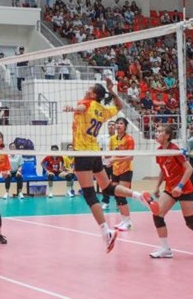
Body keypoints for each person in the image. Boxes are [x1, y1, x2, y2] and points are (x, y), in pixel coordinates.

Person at [70, 78, 156, 253]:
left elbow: (82, 108)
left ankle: (106, 232)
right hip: (95, 153)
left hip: (82, 153)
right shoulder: (102, 110)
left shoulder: (86, 103)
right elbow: (119, 106)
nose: (86, 90)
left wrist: (72, 108)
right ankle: (139, 196)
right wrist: (112, 91)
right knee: (108, 187)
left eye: (89, 89)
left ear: (93, 94)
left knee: (89, 194)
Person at [149, 124, 193, 259]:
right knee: (157, 215)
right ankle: (165, 249)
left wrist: (180, 186)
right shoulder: (159, 151)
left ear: (167, 136)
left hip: (184, 188)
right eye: (156, 131)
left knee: (190, 222)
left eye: (160, 131)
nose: (156, 133)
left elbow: (189, 169)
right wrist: (157, 186)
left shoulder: (174, 150)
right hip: (170, 188)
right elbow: (163, 171)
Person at [104, 118, 136, 231]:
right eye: (117, 123)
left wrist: (115, 159)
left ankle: (128, 222)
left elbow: (130, 157)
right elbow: (112, 154)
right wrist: (108, 160)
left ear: (125, 126)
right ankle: (124, 220)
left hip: (126, 170)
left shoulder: (129, 139)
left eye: (121, 123)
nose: (118, 125)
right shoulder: (112, 139)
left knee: (121, 195)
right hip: (115, 170)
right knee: (117, 196)